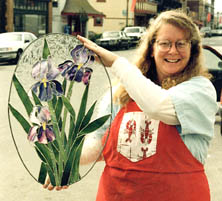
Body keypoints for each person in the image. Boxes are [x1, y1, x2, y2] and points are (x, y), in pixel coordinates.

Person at [44, 10, 218, 201]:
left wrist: (117, 63)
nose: (173, 51)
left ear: (192, 49)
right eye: (165, 43)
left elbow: (157, 106)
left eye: (181, 44)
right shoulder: (123, 92)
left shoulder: (200, 90)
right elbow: (98, 142)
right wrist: (68, 162)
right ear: (152, 48)